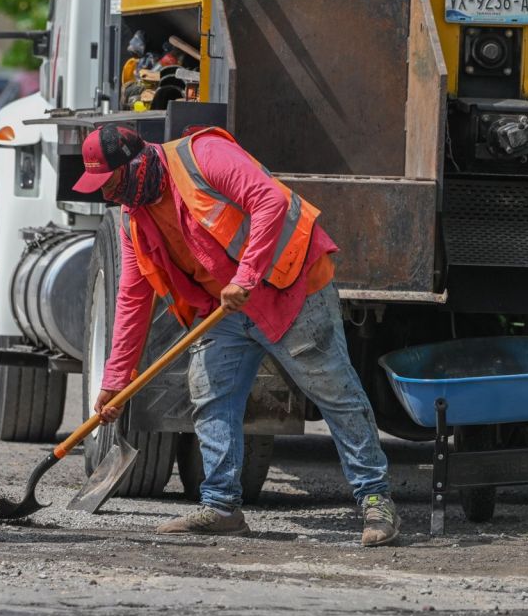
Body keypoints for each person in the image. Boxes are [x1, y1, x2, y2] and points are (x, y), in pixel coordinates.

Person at [73, 125, 400, 547]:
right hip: (226, 309)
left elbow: (270, 201)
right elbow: (133, 300)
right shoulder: (134, 221)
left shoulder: (203, 156)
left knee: (334, 392)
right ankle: (222, 507)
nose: (109, 196)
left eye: (112, 184)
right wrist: (116, 380)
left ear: (137, 165)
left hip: (290, 287)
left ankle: (375, 498)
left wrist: (246, 276)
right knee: (210, 393)